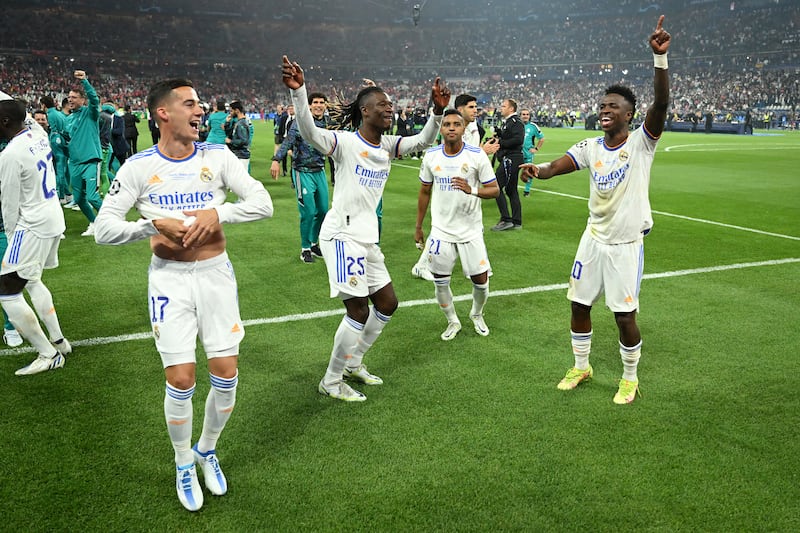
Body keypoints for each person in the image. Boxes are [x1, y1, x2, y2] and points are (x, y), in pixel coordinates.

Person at [93, 78, 273, 511]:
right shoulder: (137, 167)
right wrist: (151, 225)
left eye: (201, 103)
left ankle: (206, 450)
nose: (200, 110)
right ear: (163, 114)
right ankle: (182, 463)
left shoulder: (217, 156)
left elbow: (263, 203)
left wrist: (218, 212)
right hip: (169, 280)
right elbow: (103, 229)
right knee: (181, 378)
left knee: (226, 374)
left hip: (215, 276)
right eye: (190, 104)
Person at [520, 15, 671, 405]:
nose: (605, 110)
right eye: (602, 105)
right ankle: (582, 365)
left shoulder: (641, 143)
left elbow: (662, 104)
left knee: (624, 316)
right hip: (593, 239)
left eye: (613, 106)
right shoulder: (591, 146)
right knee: (578, 303)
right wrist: (539, 169)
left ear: (628, 114)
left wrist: (660, 60)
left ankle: (630, 378)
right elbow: (558, 165)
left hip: (624, 245)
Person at [281, 54, 449, 402]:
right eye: (383, 106)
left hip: (367, 239)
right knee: (357, 310)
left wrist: (435, 112)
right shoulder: (345, 144)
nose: (390, 110)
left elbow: (421, 142)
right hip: (341, 236)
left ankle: (353, 362)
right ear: (365, 112)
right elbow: (310, 132)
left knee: (387, 303)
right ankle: (330, 380)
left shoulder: (386, 147)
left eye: (390, 106)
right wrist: (299, 93)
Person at [0, 95, 72, 374]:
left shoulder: (9, 155)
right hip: (53, 217)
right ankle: (59, 341)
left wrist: (12, 239)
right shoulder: (38, 134)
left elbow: (9, 204)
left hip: (31, 225)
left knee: (6, 293)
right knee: (32, 282)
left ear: (5, 121)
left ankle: (47, 353)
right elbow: (25, 115)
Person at [415, 109, 499, 341]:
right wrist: (419, 227)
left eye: (456, 124)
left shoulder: (476, 155)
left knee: (481, 281)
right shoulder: (431, 156)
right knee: (441, 282)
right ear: (440, 129)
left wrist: (471, 189)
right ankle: (452, 320)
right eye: (447, 124)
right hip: (441, 231)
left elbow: (494, 190)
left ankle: (477, 313)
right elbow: (424, 192)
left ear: (464, 129)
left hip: (470, 230)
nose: (451, 127)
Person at [411, 93, 498, 282]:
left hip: (468, 189)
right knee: (445, 226)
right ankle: (422, 265)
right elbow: (457, 154)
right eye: (471, 107)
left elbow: (471, 156)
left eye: (476, 107)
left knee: (464, 225)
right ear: (460, 110)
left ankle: (425, 265)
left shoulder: (474, 128)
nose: (476, 110)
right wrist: (483, 152)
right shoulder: (455, 128)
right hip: (451, 184)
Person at [271, 92, 330, 264]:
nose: (319, 105)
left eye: (322, 102)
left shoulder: (327, 124)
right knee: (309, 212)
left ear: (325, 105)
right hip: (302, 172)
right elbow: (288, 142)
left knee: (323, 211)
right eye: (315, 102)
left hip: (319, 171)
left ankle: (313, 243)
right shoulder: (300, 123)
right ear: (310, 105)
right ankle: (305, 248)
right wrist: (276, 159)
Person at [65, 70, 103, 236]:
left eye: (73, 97)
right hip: (74, 163)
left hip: (90, 161)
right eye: (69, 97)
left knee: (92, 197)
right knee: (79, 199)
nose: (70, 100)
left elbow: (95, 100)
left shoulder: (90, 113)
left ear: (82, 100)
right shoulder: (68, 119)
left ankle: (112, 221)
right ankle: (94, 223)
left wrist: (85, 81)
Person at [490, 98, 524, 231]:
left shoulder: (515, 122)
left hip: (511, 158)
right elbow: (509, 136)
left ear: (511, 109)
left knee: (496, 187)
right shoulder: (509, 122)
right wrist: (500, 134)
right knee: (511, 190)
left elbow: (518, 139)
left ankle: (506, 219)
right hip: (512, 158)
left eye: (503, 106)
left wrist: (500, 143)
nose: (501, 108)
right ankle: (517, 221)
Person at [40, 96, 71, 205]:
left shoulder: (51, 115)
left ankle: (61, 196)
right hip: (63, 142)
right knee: (62, 168)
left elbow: (54, 130)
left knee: (58, 170)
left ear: (43, 104)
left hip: (56, 141)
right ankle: (68, 194)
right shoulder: (59, 113)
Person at [520, 108, 545, 197]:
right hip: (517, 153)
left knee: (529, 172)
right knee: (513, 171)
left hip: (528, 153)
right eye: (523, 114)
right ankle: (510, 189)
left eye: (527, 114)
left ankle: (527, 191)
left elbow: (542, 138)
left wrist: (536, 149)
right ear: (520, 116)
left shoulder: (533, 126)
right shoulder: (516, 125)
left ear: (529, 116)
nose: (525, 116)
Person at [224, 100, 251, 170]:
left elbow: (244, 141)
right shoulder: (238, 122)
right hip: (237, 155)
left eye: (231, 111)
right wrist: (227, 123)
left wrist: (231, 141)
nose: (230, 113)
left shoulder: (242, 124)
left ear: (237, 110)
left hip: (241, 156)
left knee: (241, 180)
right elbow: (229, 134)